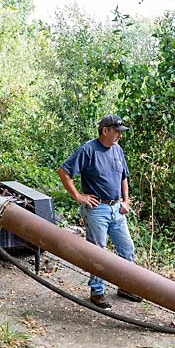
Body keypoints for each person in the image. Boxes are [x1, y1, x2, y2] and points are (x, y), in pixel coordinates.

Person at [57, 114, 142, 309]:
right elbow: (64, 171)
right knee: (97, 251)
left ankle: (125, 286)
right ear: (105, 131)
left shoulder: (117, 149)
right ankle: (97, 291)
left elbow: (123, 177)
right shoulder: (88, 150)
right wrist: (79, 196)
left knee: (127, 248)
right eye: (117, 132)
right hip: (97, 209)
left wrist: (126, 200)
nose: (120, 136)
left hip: (116, 208)